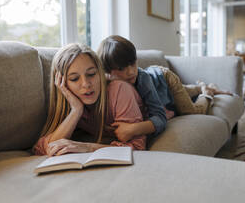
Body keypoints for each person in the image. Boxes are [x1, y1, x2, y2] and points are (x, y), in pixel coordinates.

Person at [97, 35, 233, 143]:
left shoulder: (142, 79)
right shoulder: (108, 85)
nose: (131, 72)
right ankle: (202, 86)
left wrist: (133, 129)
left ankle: (207, 92)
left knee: (191, 110)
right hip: (160, 87)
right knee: (187, 91)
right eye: (121, 68)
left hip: (165, 79)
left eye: (133, 63)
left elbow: (160, 117)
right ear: (108, 72)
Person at [33, 43, 146, 156]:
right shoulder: (72, 102)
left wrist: (88, 147)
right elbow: (42, 149)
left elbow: (137, 149)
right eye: (74, 79)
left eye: (91, 74)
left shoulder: (120, 90)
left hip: (159, 127)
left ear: (100, 73)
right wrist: (76, 110)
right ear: (61, 83)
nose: (86, 84)